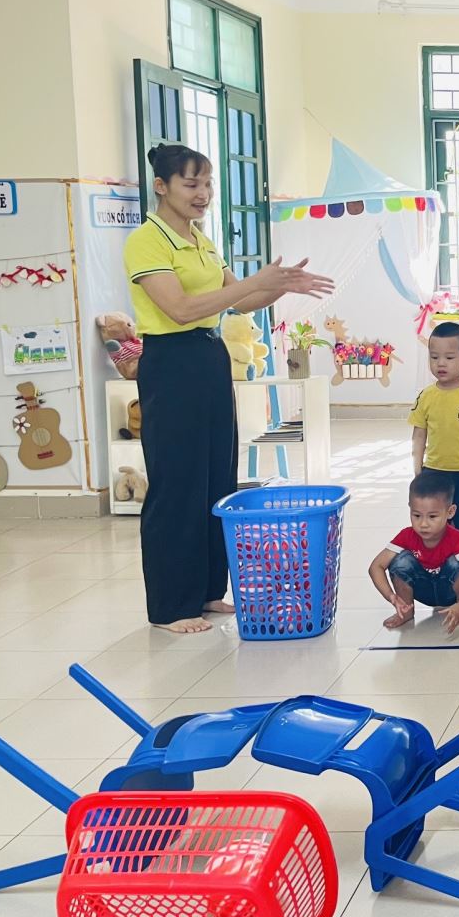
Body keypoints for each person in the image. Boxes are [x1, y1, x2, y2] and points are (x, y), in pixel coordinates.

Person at [123, 143, 333, 634]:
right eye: (191, 184)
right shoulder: (146, 241)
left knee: (216, 478)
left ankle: (205, 591)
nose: (203, 194)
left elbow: (240, 302)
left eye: (207, 184)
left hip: (208, 358)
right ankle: (170, 607)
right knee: (177, 483)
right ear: (162, 186)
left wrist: (281, 285)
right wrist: (253, 282)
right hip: (171, 362)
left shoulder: (200, 240)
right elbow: (180, 310)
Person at [366, 471, 459, 633]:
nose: (423, 524)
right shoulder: (406, 535)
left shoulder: (458, 538)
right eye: (417, 515)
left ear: (450, 512)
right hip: (423, 590)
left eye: (432, 516)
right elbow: (376, 566)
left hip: (449, 592)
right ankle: (405, 611)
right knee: (400, 561)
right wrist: (391, 596)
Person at [408, 322, 459, 547]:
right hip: (435, 470)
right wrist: (418, 470)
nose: (441, 363)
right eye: (434, 357)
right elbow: (419, 435)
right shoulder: (425, 396)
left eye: (449, 357)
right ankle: (441, 561)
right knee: (435, 524)